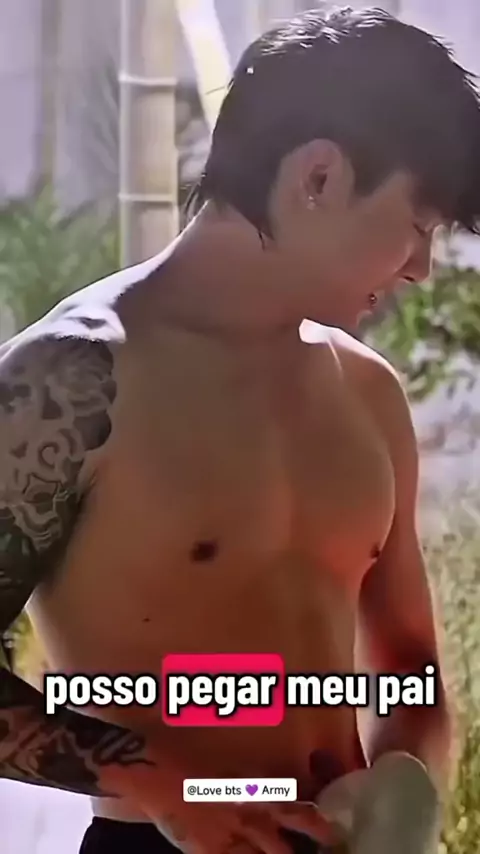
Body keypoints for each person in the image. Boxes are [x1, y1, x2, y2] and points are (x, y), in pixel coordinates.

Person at [0, 5, 479, 853]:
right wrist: (172, 791)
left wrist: (400, 801)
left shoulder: (368, 392)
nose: (420, 267)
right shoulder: (67, 383)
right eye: (416, 226)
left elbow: (409, 668)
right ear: (319, 176)